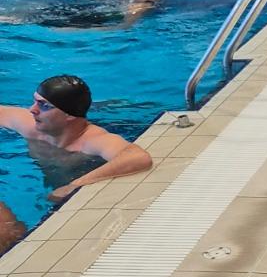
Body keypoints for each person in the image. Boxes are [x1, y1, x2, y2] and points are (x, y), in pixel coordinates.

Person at [0, 76, 154, 202]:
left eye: (43, 105)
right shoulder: (29, 126)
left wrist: (74, 186)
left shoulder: (91, 140)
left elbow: (138, 158)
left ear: (69, 114)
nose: (32, 110)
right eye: (35, 101)